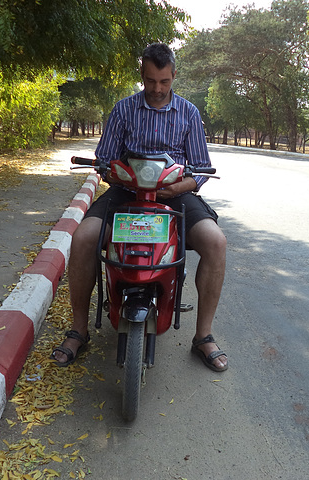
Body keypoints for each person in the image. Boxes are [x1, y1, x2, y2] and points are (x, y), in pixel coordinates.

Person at [51, 43, 228, 372]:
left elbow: (201, 169)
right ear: (142, 77)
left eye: (164, 81)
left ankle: (203, 336)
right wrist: (113, 172)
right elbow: (104, 161)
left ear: (174, 75)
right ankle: (79, 329)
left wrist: (180, 186)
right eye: (150, 81)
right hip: (126, 192)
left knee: (216, 242)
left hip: (174, 194)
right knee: (84, 238)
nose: (157, 89)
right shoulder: (123, 110)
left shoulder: (188, 113)